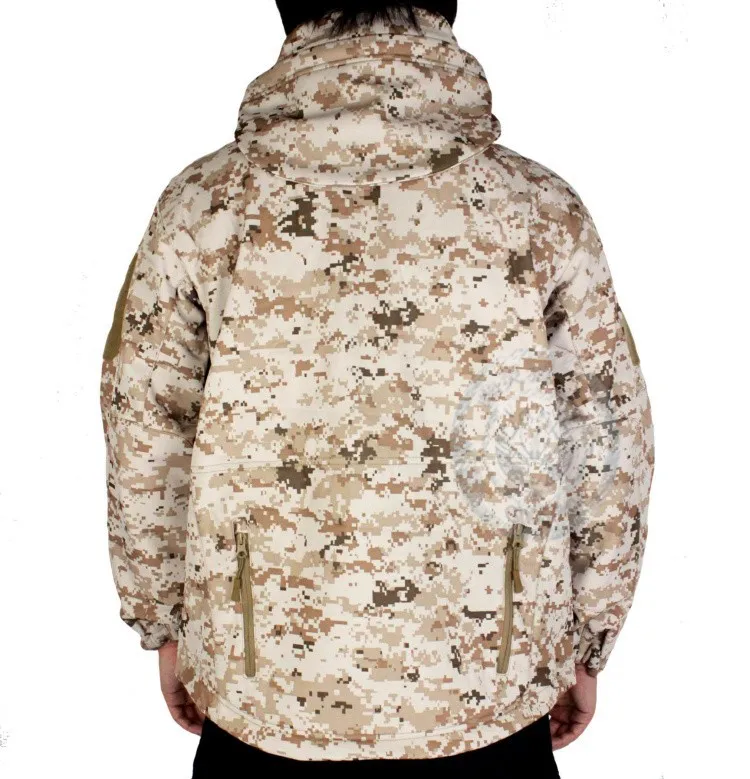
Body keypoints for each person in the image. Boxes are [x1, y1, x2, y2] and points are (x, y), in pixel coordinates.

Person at [99, 1, 655, 776]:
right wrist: (586, 641)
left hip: (262, 695)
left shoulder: (202, 206)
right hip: (489, 696)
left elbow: (144, 428)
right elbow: (604, 439)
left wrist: (166, 625)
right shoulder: (541, 209)